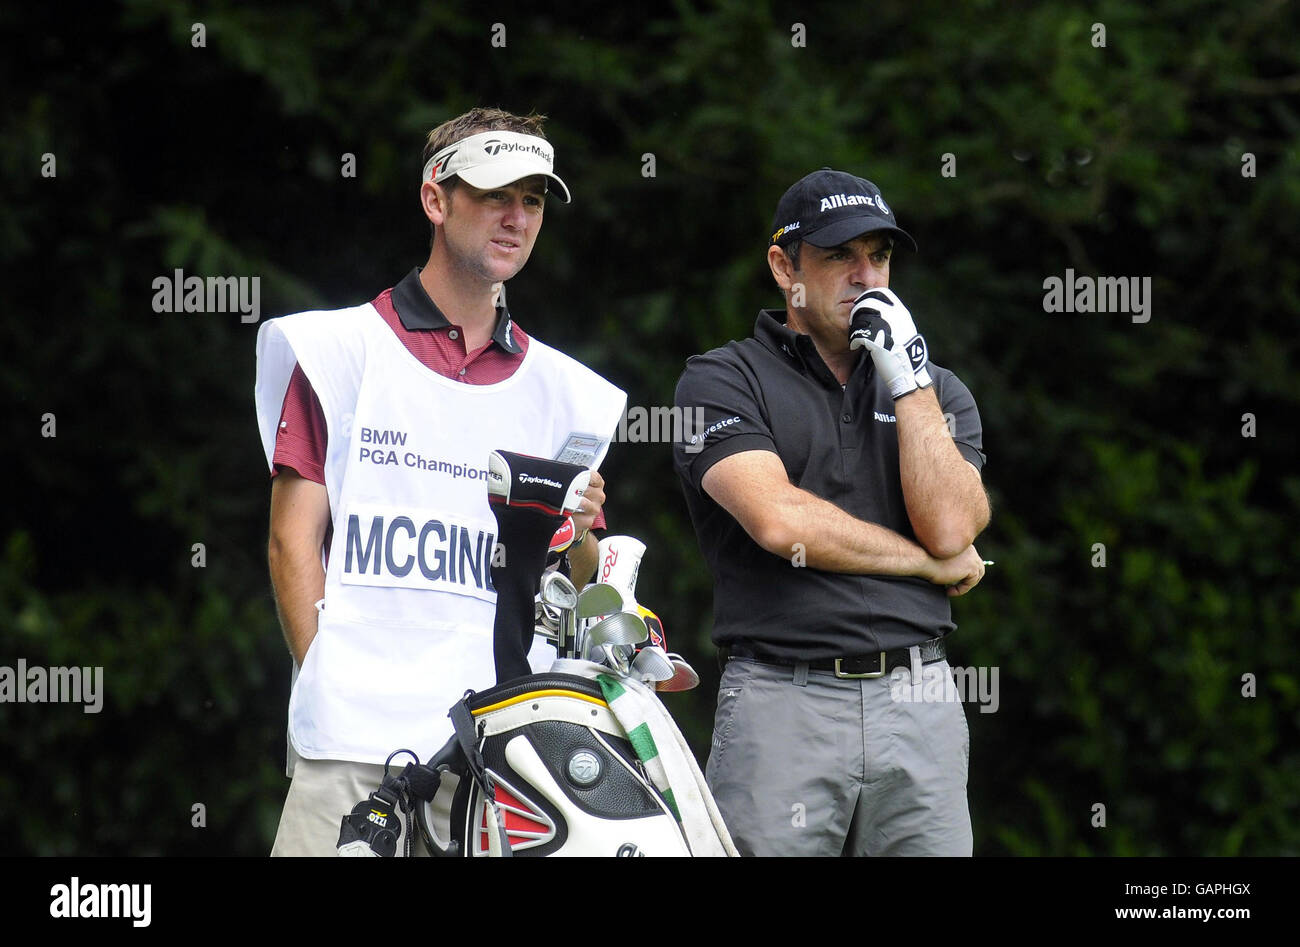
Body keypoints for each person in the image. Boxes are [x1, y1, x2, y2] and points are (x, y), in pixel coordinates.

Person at [253, 108, 626, 856]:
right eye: (495, 195)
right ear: (436, 199)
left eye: (533, 200)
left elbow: (580, 586)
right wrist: (332, 682)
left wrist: (582, 533)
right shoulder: (339, 351)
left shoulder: (569, 393)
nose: (516, 218)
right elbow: (291, 540)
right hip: (351, 749)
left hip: (504, 750)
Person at [672, 168, 991, 856]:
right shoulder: (721, 378)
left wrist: (907, 375)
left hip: (920, 696)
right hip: (783, 701)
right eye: (839, 255)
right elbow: (779, 522)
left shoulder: (934, 392)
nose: (865, 274)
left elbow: (952, 526)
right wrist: (930, 565)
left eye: (878, 256)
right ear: (784, 265)